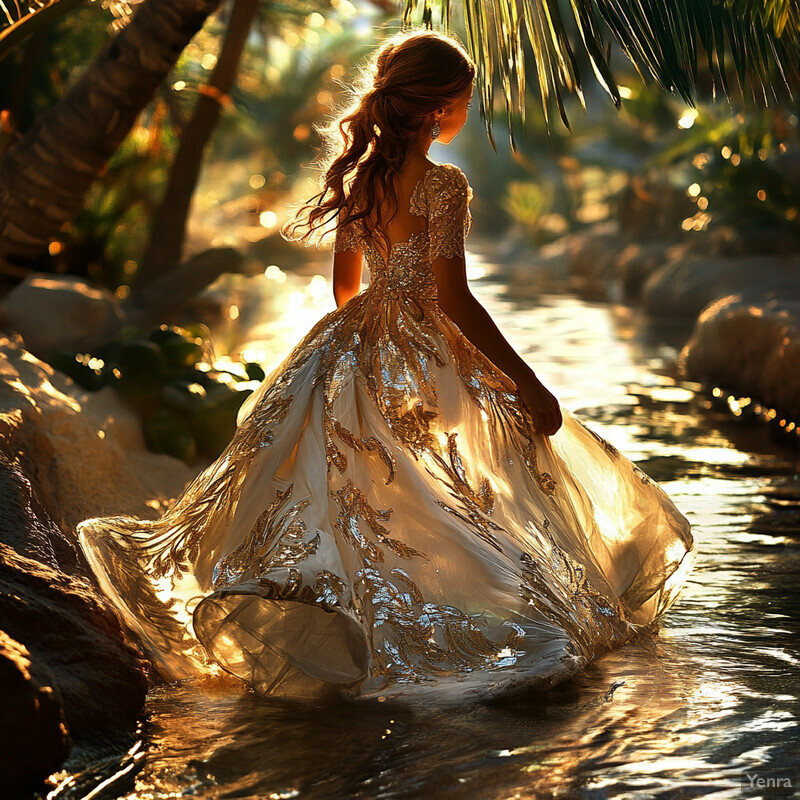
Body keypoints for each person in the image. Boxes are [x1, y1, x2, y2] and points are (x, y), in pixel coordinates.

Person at [78, 30, 695, 704]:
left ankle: (337, 619)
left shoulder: (363, 177)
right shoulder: (442, 185)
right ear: (438, 108)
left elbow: (345, 290)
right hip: (422, 347)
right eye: (464, 99)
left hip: (349, 344)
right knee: (451, 490)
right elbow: (456, 298)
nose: (467, 111)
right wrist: (527, 382)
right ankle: (432, 629)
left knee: (359, 496)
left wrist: (371, 326)